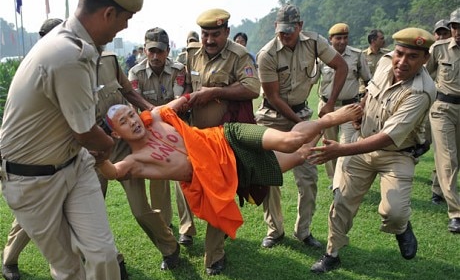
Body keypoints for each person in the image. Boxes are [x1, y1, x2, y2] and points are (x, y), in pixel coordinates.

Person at [0, 0, 143, 280]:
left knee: (104, 255)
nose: (123, 28)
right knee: (68, 269)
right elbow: (87, 134)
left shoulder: (77, 44)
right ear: (108, 13)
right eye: (125, 19)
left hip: (75, 166)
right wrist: (108, 143)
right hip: (32, 181)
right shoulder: (69, 54)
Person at [97, 98, 363, 242]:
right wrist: (100, 158)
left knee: (289, 140)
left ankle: (329, 118)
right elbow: (114, 172)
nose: (132, 121)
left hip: (227, 136)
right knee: (300, 155)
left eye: (131, 114)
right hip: (232, 172)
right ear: (117, 135)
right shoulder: (138, 160)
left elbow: (186, 99)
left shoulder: (155, 116)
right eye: (123, 122)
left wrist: (200, 94)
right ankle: (319, 132)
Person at [309, 27, 436, 273]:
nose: (402, 61)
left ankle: (401, 227)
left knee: (395, 213)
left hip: (397, 154)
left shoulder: (421, 91)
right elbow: (370, 91)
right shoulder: (385, 62)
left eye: (412, 56)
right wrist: (363, 110)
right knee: (341, 202)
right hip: (363, 142)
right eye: (400, 53)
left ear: (425, 60)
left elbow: (387, 137)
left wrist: (342, 149)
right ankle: (331, 254)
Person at [254, 4, 348, 250]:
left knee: (308, 177)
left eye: (290, 31)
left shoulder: (315, 43)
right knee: (269, 174)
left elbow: (342, 66)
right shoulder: (267, 54)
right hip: (272, 117)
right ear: (276, 28)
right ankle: (274, 229)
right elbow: (274, 97)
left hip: (302, 112)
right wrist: (303, 126)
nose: (285, 36)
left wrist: (328, 103)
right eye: (281, 31)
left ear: (300, 27)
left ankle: (303, 230)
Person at [183, 8, 260, 275]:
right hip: (194, 136)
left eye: (216, 34)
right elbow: (183, 85)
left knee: (218, 192)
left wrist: (216, 91)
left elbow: (252, 88)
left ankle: (214, 255)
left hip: (222, 139)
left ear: (227, 32)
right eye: (205, 34)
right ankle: (192, 229)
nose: (209, 40)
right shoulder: (191, 54)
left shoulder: (239, 56)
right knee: (192, 188)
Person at [1, 17, 65, 280]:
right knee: (29, 219)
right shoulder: (33, 71)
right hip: (30, 160)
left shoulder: (65, 65)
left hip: (61, 156)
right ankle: (9, 259)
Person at [129, 27, 196, 249]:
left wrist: (155, 114)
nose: (155, 56)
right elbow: (133, 103)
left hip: (177, 131)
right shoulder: (136, 73)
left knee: (184, 179)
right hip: (151, 137)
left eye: (160, 51)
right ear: (145, 50)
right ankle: (164, 227)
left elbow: (179, 101)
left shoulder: (178, 70)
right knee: (157, 182)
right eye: (151, 51)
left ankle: (187, 229)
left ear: (168, 51)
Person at [318, 23, 371, 189]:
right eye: (338, 38)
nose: (342, 41)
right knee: (329, 143)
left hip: (350, 107)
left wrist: (363, 103)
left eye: (345, 37)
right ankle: (334, 180)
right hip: (327, 107)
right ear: (330, 40)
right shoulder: (321, 57)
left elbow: (368, 81)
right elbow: (310, 79)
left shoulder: (356, 55)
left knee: (346, 144)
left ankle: (343, 180)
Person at [426, 8, 460, 233]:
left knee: (455, 157)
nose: (457, 31)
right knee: (449, 158)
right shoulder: (439, 49)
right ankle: (456, 213)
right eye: (455, 27)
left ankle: (438, 189)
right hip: (442, 109)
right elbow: (423, 74)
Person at [427, 18, 452, 204]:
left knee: (449, 153)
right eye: (439, 33)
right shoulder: (434, 50)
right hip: (435, 106)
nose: (442, 36)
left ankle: (438, 188)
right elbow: (423, 74)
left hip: (451, 108)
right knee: (444, 154)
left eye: (446, 32)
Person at [360, 29, 389, 96]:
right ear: (373, 40)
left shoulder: (387, 54)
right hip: (365, 92)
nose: (383, 41)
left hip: (383, 91)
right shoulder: (362, 56)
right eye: (381, 39)